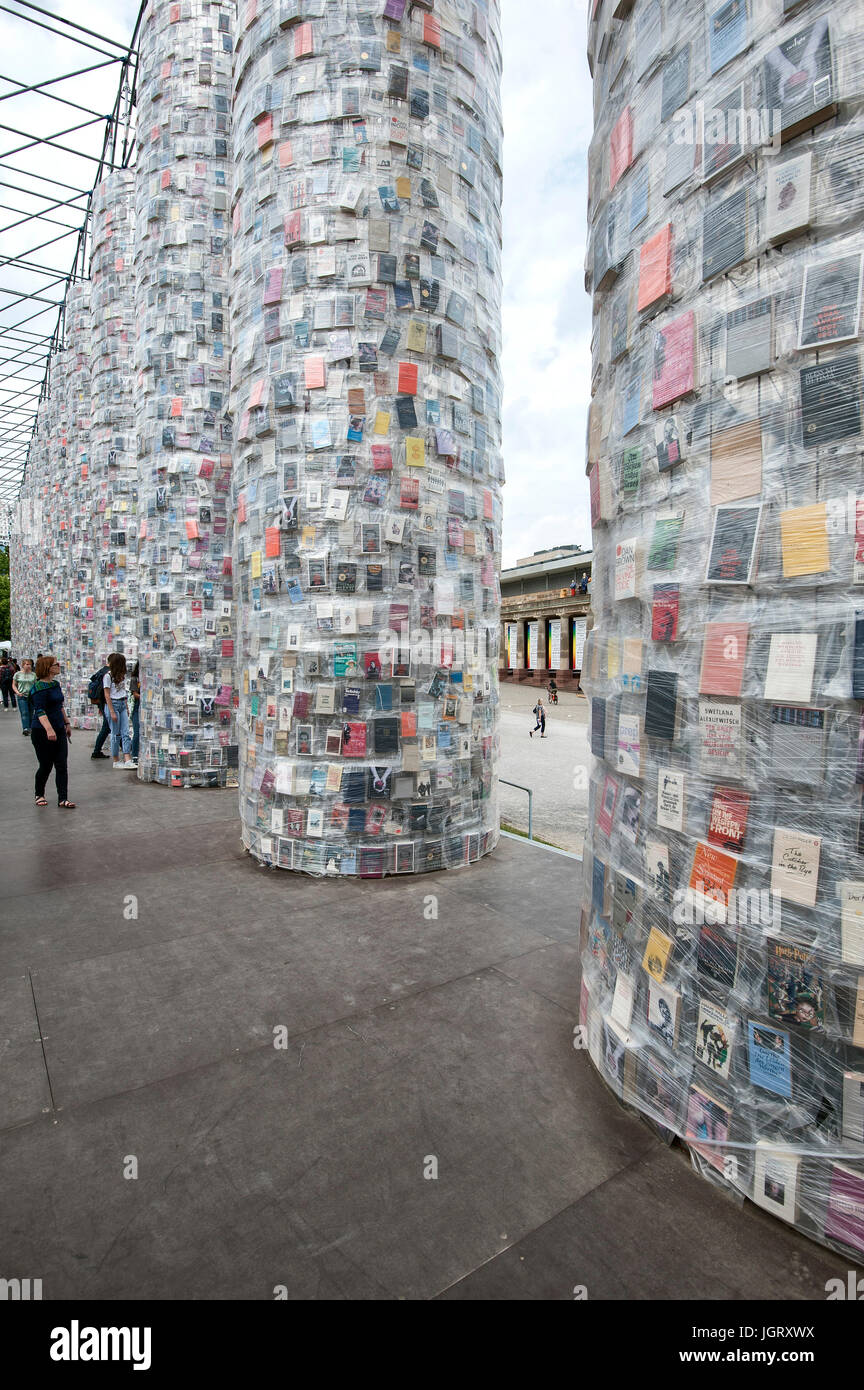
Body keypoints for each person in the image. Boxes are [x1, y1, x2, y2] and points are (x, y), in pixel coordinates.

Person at [30, 654, 75, 808]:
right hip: (41, 732)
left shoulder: (55, 684)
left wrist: (66, 723)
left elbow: (59, 705)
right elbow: (40, 711)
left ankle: (63, 798)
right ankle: (39, 793)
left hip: (59, 728)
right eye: (56, 664)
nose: (59, 665)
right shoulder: (38, 688)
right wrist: (49, 729)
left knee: (61, 764)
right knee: (46, 765)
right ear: (48, 668)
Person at [103, 652, 136, 769]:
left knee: (125, 732)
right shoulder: (108, 676)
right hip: (113, 704)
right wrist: (112, 711)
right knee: (115, 734)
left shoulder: (121, 676)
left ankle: (127, 759)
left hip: (122, 703)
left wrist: (126, 707)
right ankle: (116, 760)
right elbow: (107, 695)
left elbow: (123, 692)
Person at [12, 657, 36, 735]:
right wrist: (17, 692)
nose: (29, 666)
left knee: (31, 712)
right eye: (27, 664)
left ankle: (31, 728)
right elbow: (14, 685)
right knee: (24, 712)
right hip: (22, 696)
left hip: (31, 696)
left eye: (30, 664)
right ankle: (26, 728)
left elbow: (36, 685)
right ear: (23, 665)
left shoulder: (34, 675)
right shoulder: (17, 674)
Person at [129, 661, 140, 762]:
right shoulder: (134, 678)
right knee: (137, 732)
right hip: (137, 707)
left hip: (144, 707)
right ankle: (135, 756)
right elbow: (134, 694)